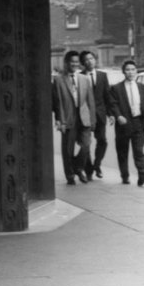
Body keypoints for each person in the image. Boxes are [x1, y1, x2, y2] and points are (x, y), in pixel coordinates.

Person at [51, 50, 96, 185]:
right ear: (66, 63)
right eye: (72, 62)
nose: (75, 64)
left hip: (84, 118)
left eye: (77, 62)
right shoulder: (58, 80)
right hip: (68, 118)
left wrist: (93, 120)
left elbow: (90, 101)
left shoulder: (85, 79)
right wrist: (59, 120)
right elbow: (57, 102)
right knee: (68, 149)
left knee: (86, 145)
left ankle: (78, 167)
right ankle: (70, 175)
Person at [109, 60, 144, 186]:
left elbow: (143, 104)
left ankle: (142, 174)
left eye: (133, 69)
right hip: (124, 123)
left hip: (138, 123)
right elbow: (113, 104)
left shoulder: (141, 87)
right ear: (123, 72)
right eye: (127, 70)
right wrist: (118, 115)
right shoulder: (116, 88)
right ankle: (124, 175)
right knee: (122, 151)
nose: (130, 72)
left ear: (136, 71)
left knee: (139, 151)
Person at [80, 51, 112, 180]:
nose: (89, 61)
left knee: (102, 141)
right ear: (83, 63)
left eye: (91, 58)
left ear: (95, 60)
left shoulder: (102, 76)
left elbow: (107, 96)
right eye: (86, 59)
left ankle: (97, 165)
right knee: (86, 143)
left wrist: (110, 114)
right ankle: (88, 169)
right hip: (85, 114)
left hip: (100, 114)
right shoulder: (80, 76)